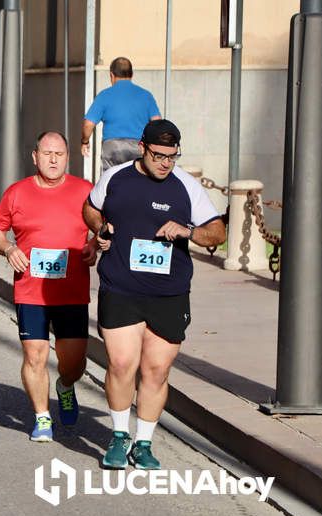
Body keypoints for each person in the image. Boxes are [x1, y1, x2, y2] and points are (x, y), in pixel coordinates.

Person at [82, 119, 225, 469]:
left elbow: (217, 232)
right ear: (143, 148)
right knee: (120, 364)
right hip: (121, 285)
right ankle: (118, 437)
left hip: (169, 292)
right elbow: (90, 208)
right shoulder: (115, 177)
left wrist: (188, 231)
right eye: (159, 155)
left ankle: (143, 443)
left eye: (172, 157)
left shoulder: (186, 186)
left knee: (156, 370)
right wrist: (101, 228)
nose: (165, 163)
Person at [0, 131, 97, 442]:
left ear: (67, 158)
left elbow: (101, 227)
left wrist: (93, 245)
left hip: (71, 291)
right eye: (47, 153)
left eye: (59, 154)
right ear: (35, 156)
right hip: (31, 291)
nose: (52, 159)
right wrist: (8, 249)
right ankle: (42, 417)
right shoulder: (17, 192)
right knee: (35, 355)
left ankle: (65, 386)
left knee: (73, 363)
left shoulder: (85, 191)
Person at [81, 57, 161, 171]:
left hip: (112, 147)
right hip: (138, 147)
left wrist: (85, 141)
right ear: (131, 74)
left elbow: (88, 124)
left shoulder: (104, 95)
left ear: (111, 75)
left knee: (111, 182)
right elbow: (157, 122)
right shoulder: (146, 95)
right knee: (138, 182)